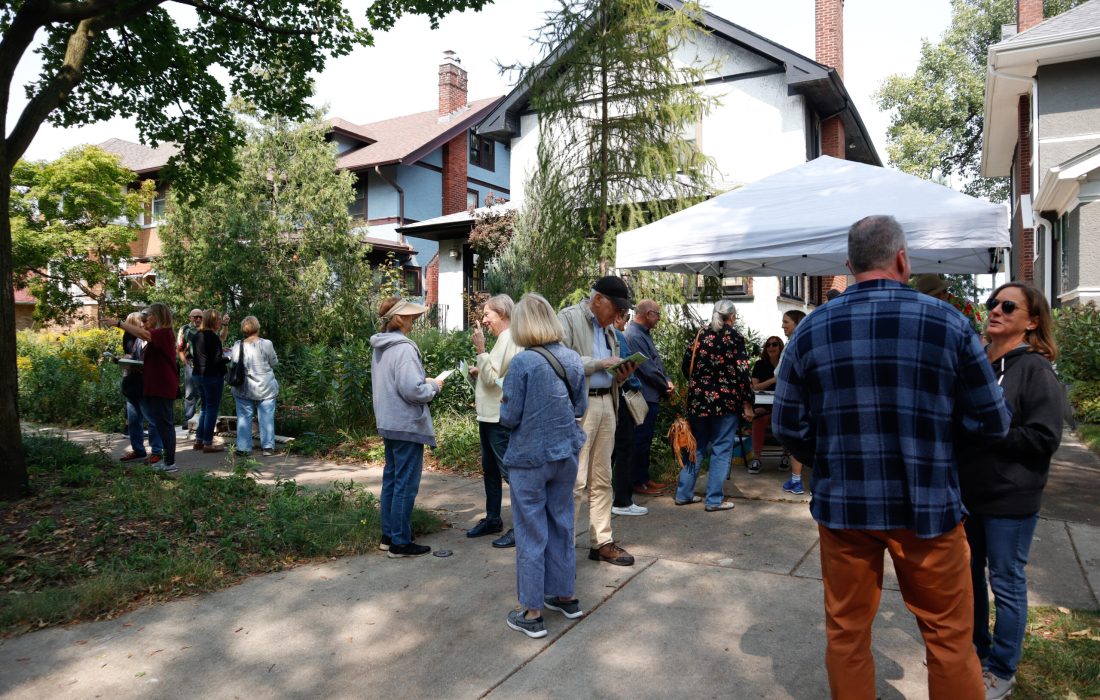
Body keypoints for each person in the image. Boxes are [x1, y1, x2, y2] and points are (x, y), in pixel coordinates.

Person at [772, 215, 1011, 699]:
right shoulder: (949, 323)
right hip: (928, 509)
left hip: (844, 510)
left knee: (846, 632)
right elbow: (992, 422)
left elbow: (786, 425)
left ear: (849, 264)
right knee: (948, 636)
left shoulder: (811, 330)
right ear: (903, 259)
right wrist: (936, 451)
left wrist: (832, 460)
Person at [959, 282, 1063, 700]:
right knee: (967, 580)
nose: (995, 310)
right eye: (992, 304)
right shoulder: (980, 362)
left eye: (1007, 306)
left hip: (1010, 499)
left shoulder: (1035, 370)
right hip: (969, 494)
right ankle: (976, 653)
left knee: (1005, 581)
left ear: (1032, 321)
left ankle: (1002, 669)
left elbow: (1043, 437)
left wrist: (989, 433)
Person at [499, 293, 588, 639]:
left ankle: (532, 612)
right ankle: (566, 596)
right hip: (565, 453)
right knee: (562, 523)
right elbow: (579, 406)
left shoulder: (522, 364)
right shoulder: (574, 360)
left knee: (531, 530)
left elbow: (509, 417)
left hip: (529, 459)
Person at [558, 276, 638, 567]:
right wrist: (597, 363)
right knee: (576, 480)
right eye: (615, 308)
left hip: (608, 401)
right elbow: (559, 360)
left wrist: (621, 372)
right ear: (598, 299)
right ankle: (563, 543)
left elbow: (609, 366)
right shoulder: (567, 318)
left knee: (603, 478)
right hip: (583, 406)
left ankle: (601, 541)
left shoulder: (609, 331)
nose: (618, 315)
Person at [370, 298, 443, 558]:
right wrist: (433, 386)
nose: (414, 320)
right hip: (407, 424)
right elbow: (413, 390)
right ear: (399, 319)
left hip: (389, 422)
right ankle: (400, 542)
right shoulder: (404, 348)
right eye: (410, 317)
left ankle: (389, 535)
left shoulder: (381, 346)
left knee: (391, 480)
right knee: (405, 484)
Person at [673, 299, 754, 512]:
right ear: (732, 317)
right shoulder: (735, 338)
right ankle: (714, 500)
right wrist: (747, 402)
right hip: (726, 403)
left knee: (696, 446)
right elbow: (743, 373)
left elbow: (685, 365)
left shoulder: (700, 335)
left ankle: (683, 494)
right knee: (721, 448)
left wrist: (701, 385)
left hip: (699, 401)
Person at [467, 294, 521, 548]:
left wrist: (481, 350)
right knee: (490, 469)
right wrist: (481, 367)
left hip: (498, 416)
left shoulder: (508, 338)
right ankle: (493, 519)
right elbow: (494, 374)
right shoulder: (505, 338)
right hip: (489, 414)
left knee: (509, 472)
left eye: (488, 314)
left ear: (502, 314)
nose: (484, 320)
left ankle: (521, 526)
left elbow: (491, 378)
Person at [106, 303, 180, 473]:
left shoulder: (163, 333)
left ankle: (170, 463)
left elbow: (143, 334)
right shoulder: (161, 334)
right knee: (162, 424)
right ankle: (168, 461)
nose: (146, 319)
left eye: (149, 315)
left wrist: (119, 324)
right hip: (157, 385)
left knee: (165, 424)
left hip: (163, 385)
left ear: (158, 317)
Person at [624, 299, 673, 495]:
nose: (660, 318)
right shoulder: (633, 335)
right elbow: (647, 369)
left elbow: (656, 363)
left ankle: (644, 478)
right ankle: (636, 482)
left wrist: (667, 380)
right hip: (642, 396)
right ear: (647, 314)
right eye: (658, 314)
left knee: (645, 440)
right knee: (640, 440)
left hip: (651, 395)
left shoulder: (644, 334)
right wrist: (665, 385)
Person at [610, 308, 648, 517]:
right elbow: (625, 366)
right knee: (624, 448)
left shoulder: (599, 334)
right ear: (618, 316)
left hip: (607, 399)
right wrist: (636, 384)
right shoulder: (616, 335)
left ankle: (610, 496)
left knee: (610, 451)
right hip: (623, 398)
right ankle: (623, 500)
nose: (625, 324)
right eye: (625, 319)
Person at [229, 316, 280, 457]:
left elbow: (233, 363)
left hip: (244, 388)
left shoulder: (237, 344)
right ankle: (268, 448)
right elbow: (274, 362)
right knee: (266, 417)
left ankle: (244, 448)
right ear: (257, 328)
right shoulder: (267, 344)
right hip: (266, 387)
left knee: (244, 417)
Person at [117, 311, 164, 464]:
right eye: (141, 323)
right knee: (133, 419)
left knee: (151, 419)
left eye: (145, 322)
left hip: (146, 385)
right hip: (132, 384)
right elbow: (135, 357)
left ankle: (157, 451)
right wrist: (124, 360)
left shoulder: (155, 338)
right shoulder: (137, 340)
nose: (142, 325)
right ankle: (138, 449)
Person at [779, 309, 807, 494]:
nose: (783, 326)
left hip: (798, 400)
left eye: (786, 322)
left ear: (797, 324)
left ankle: (797, 481)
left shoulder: (794, 345)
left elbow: (780, 372)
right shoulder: (805, 342)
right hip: (807, 399)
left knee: (797, 439)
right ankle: (801, 481)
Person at [191, 309, 228, 453]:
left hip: (198, 375)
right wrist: (229, 358)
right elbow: (216, 360)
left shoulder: (197, 335)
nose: (220, 321)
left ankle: (199, 440)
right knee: (212, 409)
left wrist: (220, 351)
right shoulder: (213, 337)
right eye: (218, 319)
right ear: (212, 321)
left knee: (205, 409)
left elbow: (204, 354)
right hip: (211, 375)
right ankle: (208, 443)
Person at [747, 335, 783, 474]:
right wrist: (773, 380)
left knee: (788, 419)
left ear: (780, 347)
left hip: (781, 405)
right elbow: (755, 386)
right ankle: (756, 458)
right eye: (768, 345)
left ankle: (785, 456)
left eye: (774, 344)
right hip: (763, 404)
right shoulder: (760, 364)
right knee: (758, 418)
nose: (771, 347)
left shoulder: (786, 363)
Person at [914, 273, 985, 331]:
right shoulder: (932, 309)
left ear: (940, 294)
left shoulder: (966, 307)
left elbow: (977, 336)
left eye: (927, 299)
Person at [177, 308, 204, 430]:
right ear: (190, 317)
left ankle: (203, 419)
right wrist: (185, 361)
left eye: (200, 317)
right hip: (191, 363)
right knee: (190, 393)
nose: (198, 319)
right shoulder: (185, 329)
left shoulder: (206, 329)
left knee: (204, 392)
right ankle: (188, 419)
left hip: (206, 365)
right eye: (195, 316)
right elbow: (179, 347)